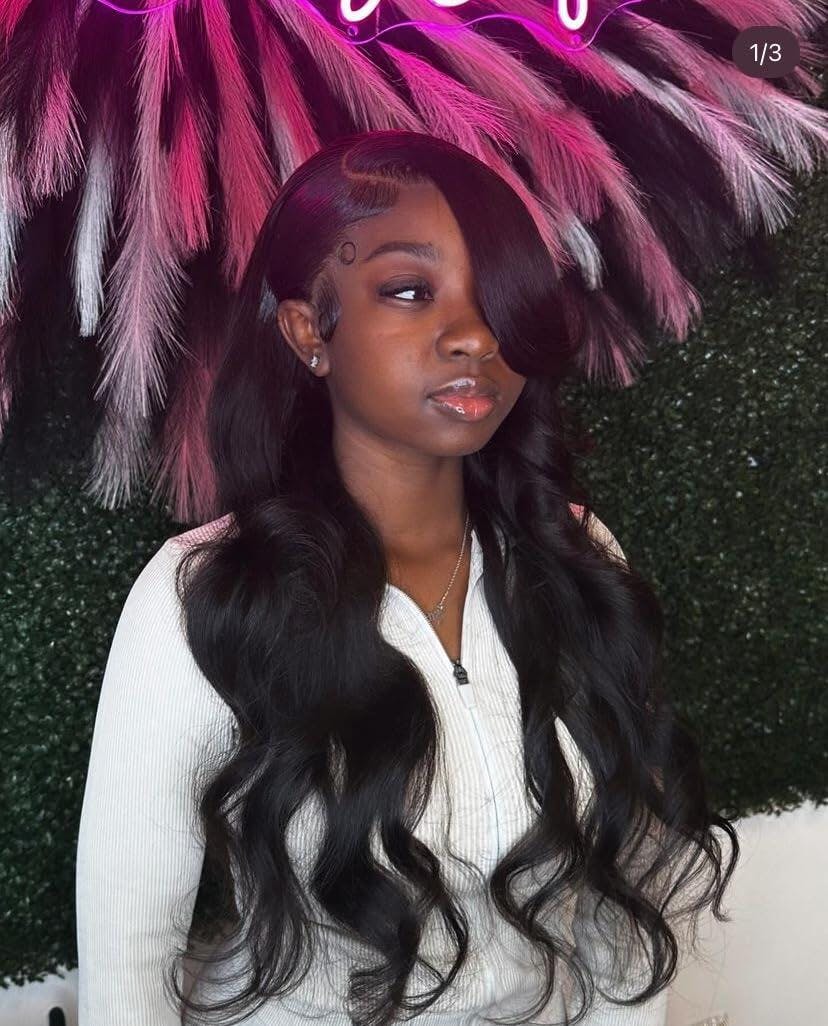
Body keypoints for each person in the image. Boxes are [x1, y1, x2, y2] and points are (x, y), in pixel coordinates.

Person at [75, 130, 738, 1026]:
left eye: (496, 295)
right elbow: (130, 959)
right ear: (309, 331)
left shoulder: (575, 556)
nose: (474, 336)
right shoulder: (199, 597)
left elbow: (628, 894)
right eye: (409, 291)